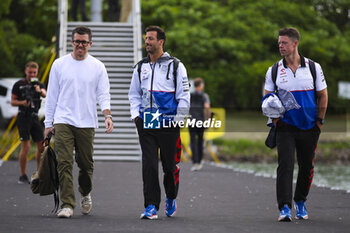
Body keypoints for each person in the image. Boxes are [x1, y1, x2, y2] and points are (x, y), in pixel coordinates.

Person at [44, 26, 114, 218]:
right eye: (77, 41)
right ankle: (67, 204)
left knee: (85, 164)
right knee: (64, 162)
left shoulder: (98, 66)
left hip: (87, 121)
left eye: (84, 42)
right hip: (63, 119)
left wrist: (107, 115)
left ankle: (85, 192)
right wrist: (48, 124)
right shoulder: (59, 65)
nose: (80, 45)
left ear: (90, 44)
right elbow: (51, 96)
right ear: (72, 42)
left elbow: (103, 94)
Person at [263, 27, 328, 222]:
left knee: (306, 166)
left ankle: (300, 201)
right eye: (279, 43)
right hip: (285, 127)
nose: (280, 46)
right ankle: (284, 207)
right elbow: (267, 97)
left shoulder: (314, 68)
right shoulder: (274, 70)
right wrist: (275, 120)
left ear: (295, 43)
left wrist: (319, 122)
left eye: (284, 43)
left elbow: (323, 95)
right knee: (285, 165)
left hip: (310, 127)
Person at [128, 25, 190, 219]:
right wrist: (136, 116)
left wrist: (179, 120)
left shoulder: (176, 66)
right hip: (148, 121)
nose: (147, 42)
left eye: (151, 39)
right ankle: (151, 206)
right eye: (146, 38)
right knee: (149, 165)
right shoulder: (140, 66)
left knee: (169, 168)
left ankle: (171, 197)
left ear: (161, 42)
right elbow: (133, 95)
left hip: (170, 122)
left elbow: (184, 96)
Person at [11, 61, 46, 184]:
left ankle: (39, 174)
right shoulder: (19, 84)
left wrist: (39, 90)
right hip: (23, 116)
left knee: (41, 147)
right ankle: (23, 174)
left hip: (35, 117)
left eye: (34, 72)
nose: (32, 74)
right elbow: (13, 101)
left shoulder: (39, 84)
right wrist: (22, 103)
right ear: (26, 72)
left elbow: (45, 94)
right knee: (25, 146)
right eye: (30, 72)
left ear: (37, 72)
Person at [189, 77, 210, 171]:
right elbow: (207, 107)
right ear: (200, 85)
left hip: (192, 120)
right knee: (200, 141)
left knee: (193, 141)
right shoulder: (204, 96)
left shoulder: (190, 95)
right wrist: (208, 119)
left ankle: (195, 162)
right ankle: (199, 161)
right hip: (201, 120)